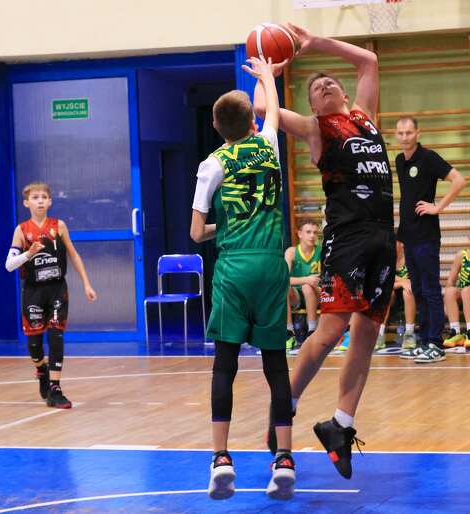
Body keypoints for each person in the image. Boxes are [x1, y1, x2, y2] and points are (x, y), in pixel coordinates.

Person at [252, 23, 395, 479]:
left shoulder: (365, 118)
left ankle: (341, 425)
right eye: (317, 87)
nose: (326, 85)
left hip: (382, 239)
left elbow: (368, 61)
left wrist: (316, 42)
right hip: (347, 240)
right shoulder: (317, 129)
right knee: (331, 331)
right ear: (313, 105)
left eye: (331, 81)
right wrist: (268, 76)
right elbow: (261, 109)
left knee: (367, 336)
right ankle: (285, 405)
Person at [190, 56, 295, 500]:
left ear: (217, 127)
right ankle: (284, 460)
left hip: (234, 268)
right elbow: (273, 114)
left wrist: (229, 225)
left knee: (225, 364)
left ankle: (221, 459)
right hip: (271, 265)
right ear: (251, 121)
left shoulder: (212, 164)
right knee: (276, 364)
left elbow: (197, 233)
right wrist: (267, 75)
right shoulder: (269, 144)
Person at [5, 182, 97, 409]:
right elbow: (9, 265)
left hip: (57, 289)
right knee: (34, 343)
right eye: (35, 197)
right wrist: (29, 253)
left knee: (56, 336)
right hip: (33, 292)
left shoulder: (59, 226)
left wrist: (87, 284)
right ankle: (41, 370)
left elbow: (74, 255)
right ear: (26, 203)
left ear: (50, 202)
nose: (40, 201)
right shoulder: (21, 230)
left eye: (44, 197)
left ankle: (55, 389)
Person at [394, 116, 466, 363]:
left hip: (426, 235)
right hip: (408, 235)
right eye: (400, 133)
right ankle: (424, 341)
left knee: (431, 288)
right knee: (417, 290)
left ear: (418, 133)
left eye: (409, 132)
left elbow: (459, 180)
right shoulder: (399, 160)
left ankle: (436, 343)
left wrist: (438, 207)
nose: (405, 137)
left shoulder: (428, 158)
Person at [285, 219, 321, 349]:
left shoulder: (321, 251)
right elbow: (283, 279)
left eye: (315, 233)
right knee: (283, 288)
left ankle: (312, 330)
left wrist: (310, 283)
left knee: (307, 287)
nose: (312, 236)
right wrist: (306, 279)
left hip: (317, 294)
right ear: (300, 234)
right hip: (296, 297)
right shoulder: (291, 252)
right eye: (308, 232)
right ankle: (289, 332)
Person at [377, 240, 417, 350]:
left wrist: (401, 282)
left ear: (401, 244)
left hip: (411, 297)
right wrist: (401, 282)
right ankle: (379, 334)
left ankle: (409, 333)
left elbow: (414, 282)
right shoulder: (386, 259)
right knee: (387, 291)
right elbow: (383, 281)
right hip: (393, 297)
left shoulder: (410, 257)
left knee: (408, 291)